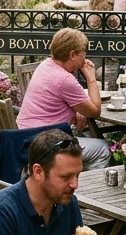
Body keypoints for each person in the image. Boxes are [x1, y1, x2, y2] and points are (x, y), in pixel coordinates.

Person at [17, 28, 110, 169]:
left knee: (84, 138)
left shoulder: (46, 65)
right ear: (72, 55)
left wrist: (77, 109)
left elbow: (59, 99)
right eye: (83, 51)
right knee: (102, 148)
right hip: (45, 145)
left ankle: (69, 176)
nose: (85, 55)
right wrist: (91, 78)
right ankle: (82, 183)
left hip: (24, 136)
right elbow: (95, 111)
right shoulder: (64, 79)